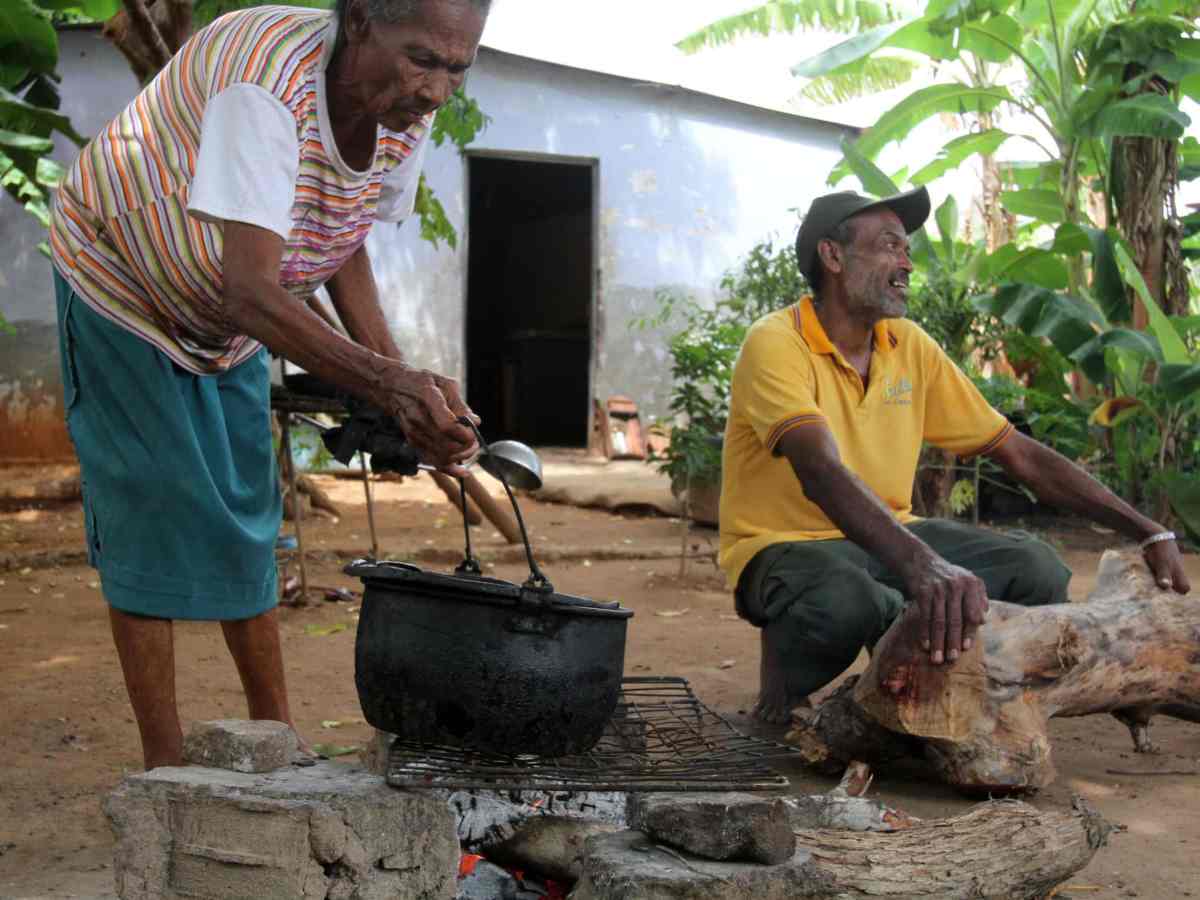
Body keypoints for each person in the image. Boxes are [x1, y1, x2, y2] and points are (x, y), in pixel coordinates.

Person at [49, 0, 489, 769]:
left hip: (235, 318)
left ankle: (279, 742)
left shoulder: (400, 110)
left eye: (459, 67)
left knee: (250, 515)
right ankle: (166, 766)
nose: (438, 90)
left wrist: (395, 374)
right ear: (358, 25)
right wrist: (389, 384)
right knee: (152, 512)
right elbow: (248, 292)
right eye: (424, 59)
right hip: (121, 285)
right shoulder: (265, 88)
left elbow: (340, 234)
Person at [719, 186, 1191, 724]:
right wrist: (925, 567)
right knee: (849, 601)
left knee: (1035, 569)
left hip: (889, 531)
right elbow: (820, 472)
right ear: (832, 256)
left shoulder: (908, 345)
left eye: (908, 252)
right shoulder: (777, 342)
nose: (905, 263)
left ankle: (921, 694)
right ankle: (781, 695)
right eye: (889, 246)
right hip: (783, 548)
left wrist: (1145, 527)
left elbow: (1019, 454)